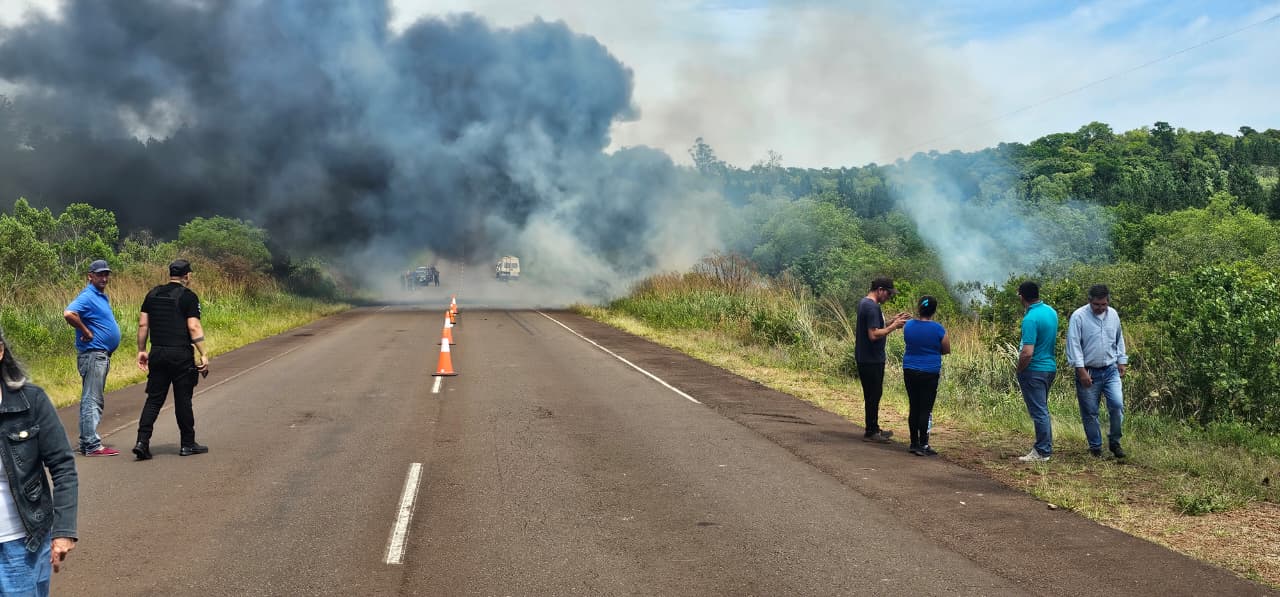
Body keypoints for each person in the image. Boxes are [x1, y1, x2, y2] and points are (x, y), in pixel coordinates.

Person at [0, 326, 78, 595]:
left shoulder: (31, 401)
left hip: (20, 543)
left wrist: (63, 530)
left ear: (0, 352)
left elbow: (63, 466)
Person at [133, 259, 210, 460]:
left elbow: (143, 325)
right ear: (187, 275)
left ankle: (142, 442)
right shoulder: (188, 297)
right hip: (180, 355)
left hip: (157, 352)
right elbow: (193, 327)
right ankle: (187, 443)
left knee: (154, 400)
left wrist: (141, 349)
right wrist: (203, 353)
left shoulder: (152, 294)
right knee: (183, 399)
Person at [63, 259, 122, 457]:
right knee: (92, 399)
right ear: (90, 276)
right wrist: (85, 330)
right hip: (93, 354)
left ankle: (87, 440)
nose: (104, 277)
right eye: (100, 274)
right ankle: (91, 444)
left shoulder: (99, 296)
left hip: (99, 354)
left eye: (106, 274)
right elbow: (69, 313)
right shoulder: (88, 296)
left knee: (92, 398)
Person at [1065, 284, 1129, 459]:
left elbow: (1118, 338)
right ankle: (1095, 447)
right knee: (1090, 411)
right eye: (1096, 305)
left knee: (1117, 405)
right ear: (1089, 301)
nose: (1100, 308)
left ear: (1108, 301)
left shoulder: (1113, 315)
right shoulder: (1078, 317)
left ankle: (1115, 442)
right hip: (1088, 371)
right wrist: (1081, 371)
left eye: (1103, 304)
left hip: (1110, 370)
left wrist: (1122, 361)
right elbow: (1074, 345)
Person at [855, 277, 910, 443]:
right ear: (880, 290)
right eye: (888, 293)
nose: (889, 297)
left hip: (865, 357)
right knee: (874, 394)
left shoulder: (865, 303)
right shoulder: (872, 307)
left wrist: (892, 320)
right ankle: (871, 431)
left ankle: (873, 427)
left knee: (872, 394)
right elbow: (873, 334)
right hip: (871, 359)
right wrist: (894, 327)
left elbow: (875, 326)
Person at [1015, 281, 1059, 462]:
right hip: (1049, 367)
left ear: (1021, 296)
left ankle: (1042, 451)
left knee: (1039, 411)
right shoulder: (1051, 312)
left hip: (1034, 369)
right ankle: (1044, 447)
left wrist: (1019, 369)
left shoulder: (1030, 319)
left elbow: (1027, 352)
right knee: (1042, 409)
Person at [903, 296, 950, 456]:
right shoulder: (938, 329)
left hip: (909, 369)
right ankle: (924, 444)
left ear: (919, 308)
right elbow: (946, 349)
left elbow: (909, 342)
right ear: (934, 310)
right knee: (925, 408)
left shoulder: (908, 326)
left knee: (914, 406)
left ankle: (913, 442)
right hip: (929, 371)